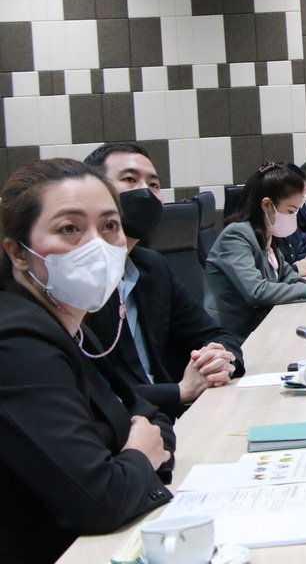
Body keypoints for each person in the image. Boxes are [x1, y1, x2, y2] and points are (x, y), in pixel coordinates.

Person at [0, 159, 175, 563]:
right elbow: (100, 500)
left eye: (110, 225)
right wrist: (140, 455)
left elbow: (152, 419)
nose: (97, 245)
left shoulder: (70, 324)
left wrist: (137, 454)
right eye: (69, 228)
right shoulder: (18, 343)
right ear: (18, 252)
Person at [82, 143, 244, 418]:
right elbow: (91, 393)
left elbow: (213, 334)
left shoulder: (153, 267)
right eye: (130, 179)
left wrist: (219, 357)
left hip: (173, 419)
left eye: (154, 184)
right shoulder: (76, 282)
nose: (145, 192)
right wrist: (180, 391)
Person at [204, 162, 306, 343]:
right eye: (290, 211)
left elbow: (287, 275)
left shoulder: (268, 235)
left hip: (263, 326)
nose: (293, 217)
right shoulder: (236, 235)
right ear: (267, 205)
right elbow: (257, 291)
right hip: (234, 337)